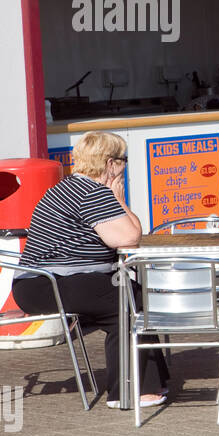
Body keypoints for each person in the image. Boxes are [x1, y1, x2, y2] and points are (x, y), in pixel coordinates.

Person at [12, 131, 168, 408]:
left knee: (133, 294)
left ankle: (151, 382)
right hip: (51, 283)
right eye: (124, 160)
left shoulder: (68, 186)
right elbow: (129, 238)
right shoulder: (93, 192)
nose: (125, 166)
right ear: (110, 164)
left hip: (39, 283)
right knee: (130, 302)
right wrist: (119, 198)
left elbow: (129, 235)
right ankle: (129, 392)